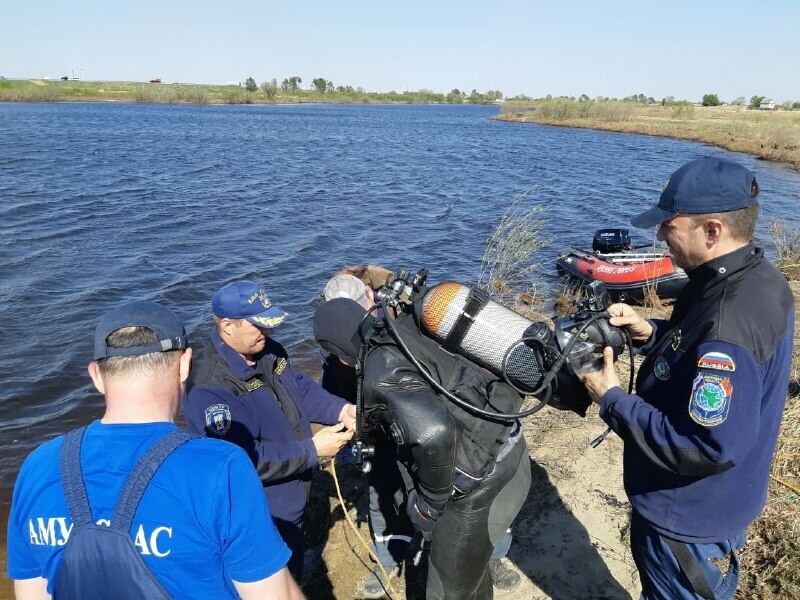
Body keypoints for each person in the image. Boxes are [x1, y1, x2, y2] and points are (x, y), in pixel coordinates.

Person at [583, 157, 795, 600]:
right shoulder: (754, 277)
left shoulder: (727, 320)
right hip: (723, 502)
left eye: (669, 226)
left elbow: (704, 445)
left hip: (687, 519)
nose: (659, 235)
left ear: (712, 230)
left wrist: (613, 398)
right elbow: (696, 349)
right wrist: (650, 331)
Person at [6, 301, 303, 600]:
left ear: (96, 375)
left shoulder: (38, 466)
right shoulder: (220, 467)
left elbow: (32, 593)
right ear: (185, 364)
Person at [319, 267, 523, 597]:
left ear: (369, 296)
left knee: (459, 537)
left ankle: (491, 557)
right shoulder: (348, 341)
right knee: (385, 495)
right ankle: (392, 558)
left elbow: (436, 429)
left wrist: (430, 504)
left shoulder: (402, 327)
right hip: (398, 437)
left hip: (459, 448)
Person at [184, 280, 356, 581]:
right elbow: (241, 461)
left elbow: (299, 388)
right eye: (259, 326)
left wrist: (341, 410)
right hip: (259, 515)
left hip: (293, 494)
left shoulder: (267, 349)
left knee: (295, 566)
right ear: (227, 326)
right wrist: (311, 451)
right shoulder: (209, 389)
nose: (270, 332)